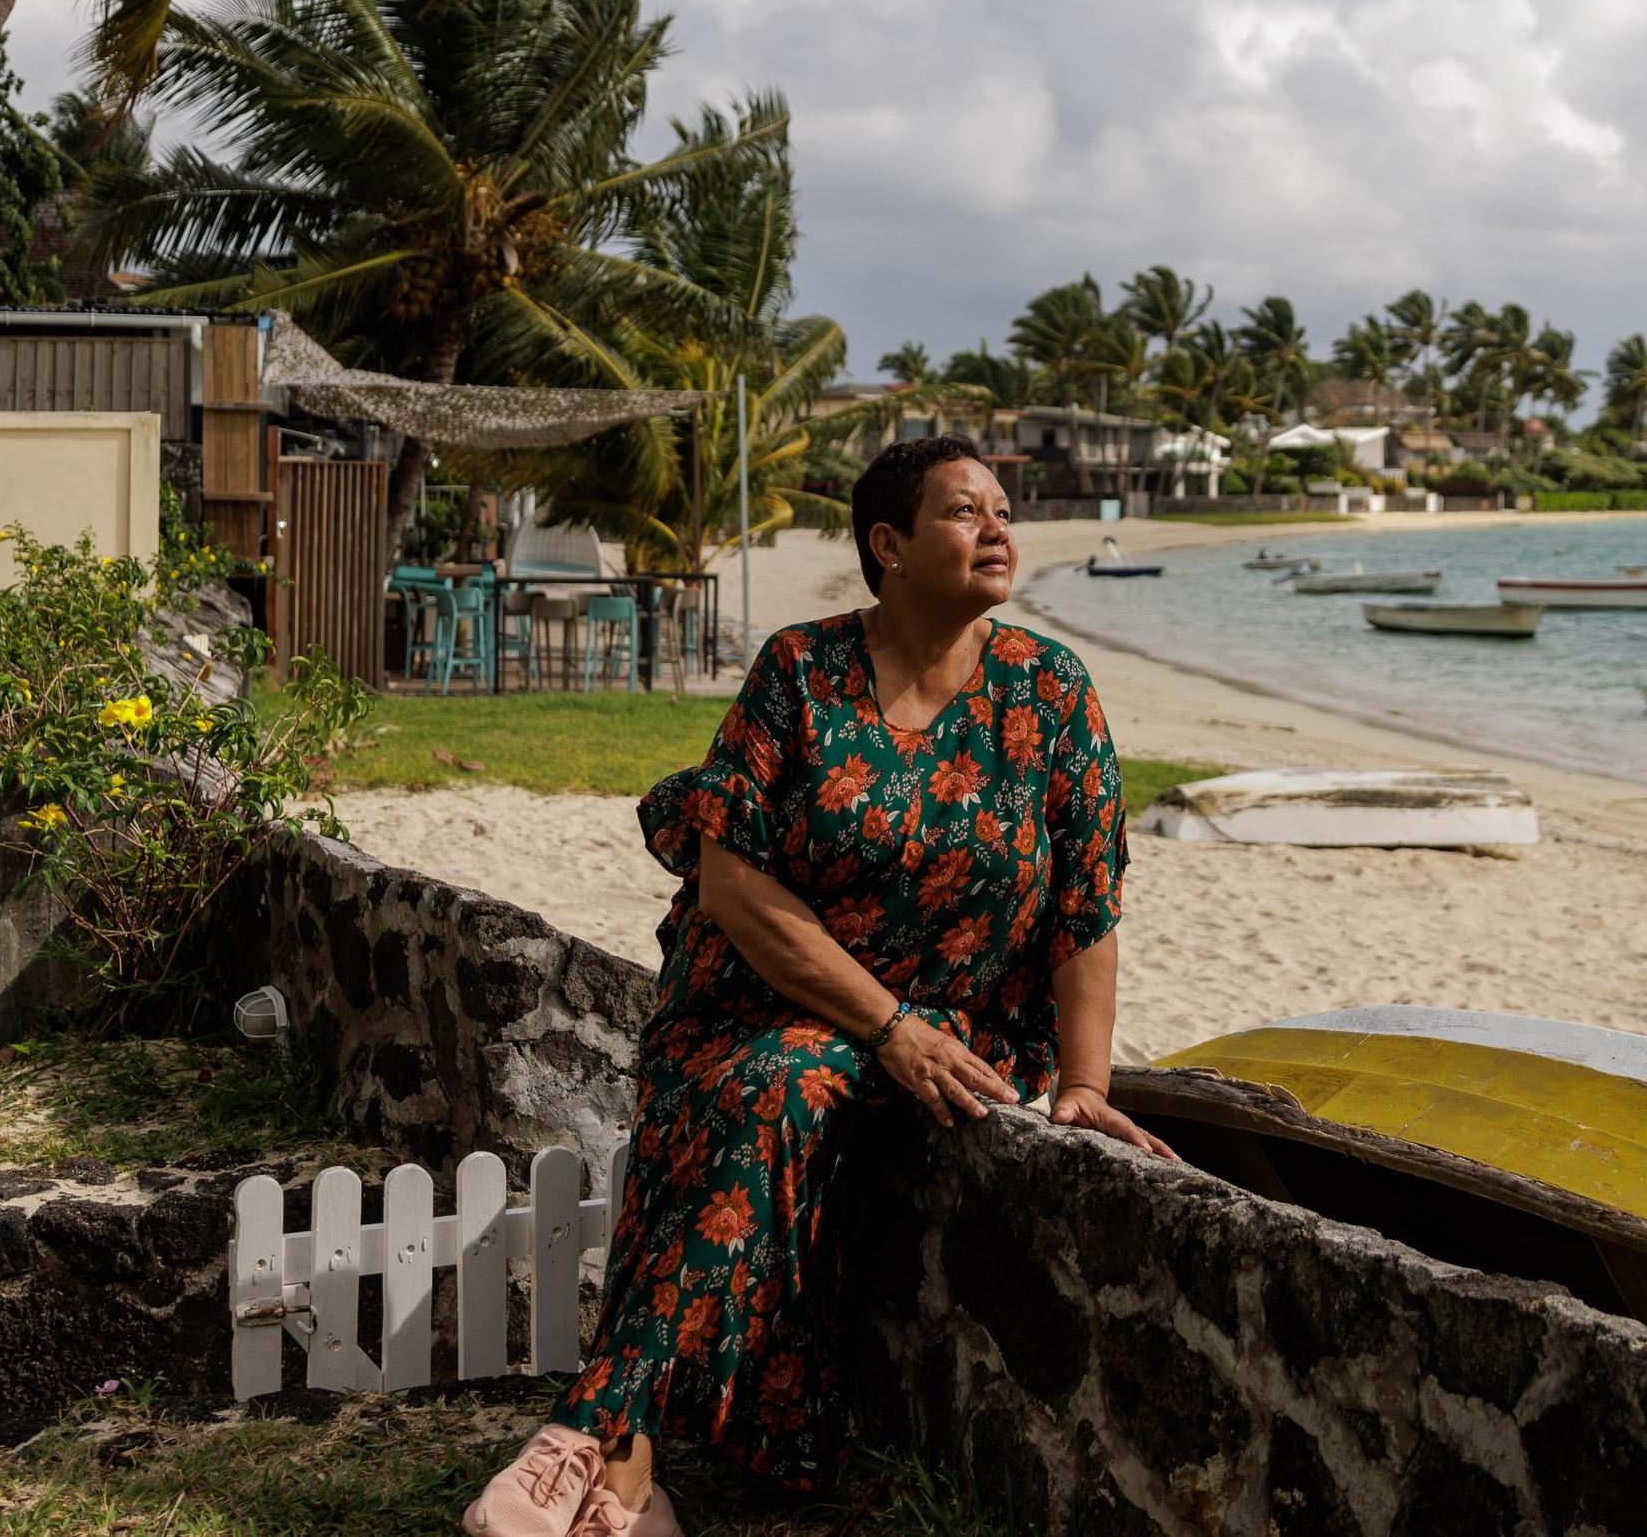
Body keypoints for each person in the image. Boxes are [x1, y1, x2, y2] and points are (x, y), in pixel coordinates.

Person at [465, 435, 1176, 1537]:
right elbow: (729, 881)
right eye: (962, 511)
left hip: (947, 1029)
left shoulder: (1051, 693)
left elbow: (1087, 900)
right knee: (778, 1081)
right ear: (886, 545)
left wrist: (1082, 1082)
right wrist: (879, 1023)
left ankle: (607, 1448)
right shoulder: (800, 670)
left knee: (781, 1088)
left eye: (1000, 510)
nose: (996, 530)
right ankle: (609, 1449)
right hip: (753, 1005)